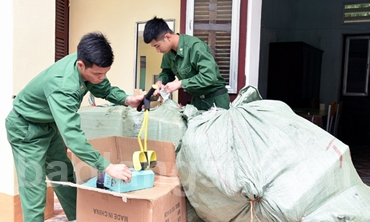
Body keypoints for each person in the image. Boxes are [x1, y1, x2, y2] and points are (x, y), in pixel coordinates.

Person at [5, 32, 144, 222]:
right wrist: (107, 166)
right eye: (97, 74)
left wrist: (128, 99)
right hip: (25, 129)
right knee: (34, 189)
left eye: (105, 73)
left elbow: (104, 88)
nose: (101, 77)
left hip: (48, 125)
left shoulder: (86, 65)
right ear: (81, 65)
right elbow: (72, 137)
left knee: (62, 174)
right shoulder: (63, 86)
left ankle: (80, 217)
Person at [143, 16, 230, 111]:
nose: (157, 50)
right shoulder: (168, 53)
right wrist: (160, 82)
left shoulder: (195, 47)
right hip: (197, 100)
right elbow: (167, 72)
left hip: (216, 100)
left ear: (167, 37)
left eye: (157, 46)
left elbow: (209, 76)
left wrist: (180, 83)